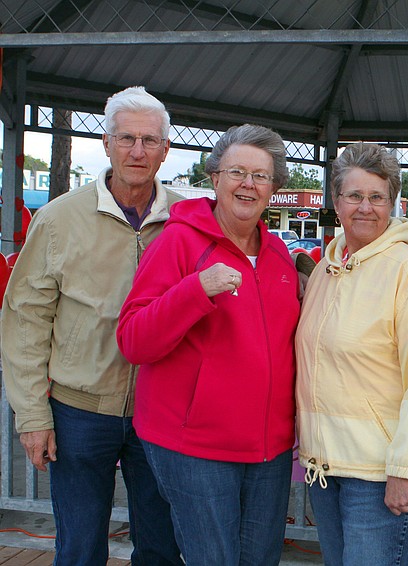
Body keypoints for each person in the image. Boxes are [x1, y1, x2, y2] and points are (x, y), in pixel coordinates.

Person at [0, 86, 183, 565]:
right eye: (126, 138)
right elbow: (25, 320)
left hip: (160, 410)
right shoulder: (59, 219)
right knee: (80, 548)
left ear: (166, 149)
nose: (137, 151)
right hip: (79, 413)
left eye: (149, 140)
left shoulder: (187, 220)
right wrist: (33, 417)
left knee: (162, 547)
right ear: (106, 143)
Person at [116, 124, 300, 565]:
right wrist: (195, 290)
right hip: (195, 448)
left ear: (274, 188)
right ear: (214, 178)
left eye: (261, 175)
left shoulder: (279, 256)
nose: (248, 184)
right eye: (237, 171)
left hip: (269, 449)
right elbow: (133, 339)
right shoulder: (179, 241)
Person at [295, 142, 408, 565]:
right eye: (354, 196)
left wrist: (405, 470)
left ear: (392, 203)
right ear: (336, 201)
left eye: (377, 197)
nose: (365, 207)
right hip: (324, 469)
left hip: (379, 475)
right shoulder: (329, 271)